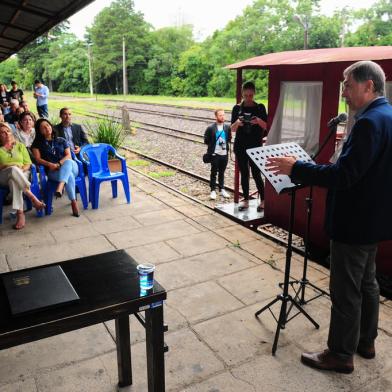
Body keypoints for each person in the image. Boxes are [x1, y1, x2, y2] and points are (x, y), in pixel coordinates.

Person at [266, 61, 392, 374]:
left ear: (369, 86)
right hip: (375, 219)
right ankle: (365, 341)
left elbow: (343, 175)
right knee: (367, 283)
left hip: (354, 221)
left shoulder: (367, 123)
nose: (344, 93)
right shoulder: (387, 116)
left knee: (346, 290)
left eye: (348, 85)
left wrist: (296, 168)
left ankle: (340, 354)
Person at [0, 122, 45, 230]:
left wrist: (19, 169)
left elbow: (28, 163)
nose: (6, 134)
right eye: (2, 132)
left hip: (22, 174)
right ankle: (32, 197)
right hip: (3, 176)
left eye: (8, 131)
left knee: (14, 181)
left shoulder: (20, 146)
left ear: (11, 132)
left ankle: (20, 214)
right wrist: (10, 165)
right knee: (12, 170)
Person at [231, 81, 267, 211]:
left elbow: (267, 126)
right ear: (242, 94)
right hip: (240, 145)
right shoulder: (237, 108)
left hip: (255, 146)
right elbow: (232, 129)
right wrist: (238, 123)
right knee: (244, 173)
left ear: (254, 93)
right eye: (246, 95)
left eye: (251, 95)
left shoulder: (260, 108)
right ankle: (245, 199)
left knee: (256, 173)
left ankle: (263, 200)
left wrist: (258, 121)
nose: (248, 98)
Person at [31, 118, 80, 217]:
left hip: (71, 167)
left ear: (51, 126)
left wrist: (58, 164)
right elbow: (37, 159)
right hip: (53, 171)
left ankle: (61, 185)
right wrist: (50, 164)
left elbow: (68, 156)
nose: (47, 128)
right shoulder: (37, 144)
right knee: (69, 175)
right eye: (43, 127)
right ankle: (73, 202)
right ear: (39, 131)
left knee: (69, 162)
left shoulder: (61, 140)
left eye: (48, 125)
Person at [204, 109, 231, 200]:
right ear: (216, 116)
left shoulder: (227, 127)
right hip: (215, 154)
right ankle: (213, 190)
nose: (222, 117)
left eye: (223, 115)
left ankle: (222, 189)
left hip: (224, 154)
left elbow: (229, 138)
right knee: (214, 172)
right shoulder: (211, 128)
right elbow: (206, 140)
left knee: (222, 172)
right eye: (220, 115)